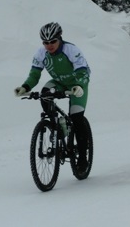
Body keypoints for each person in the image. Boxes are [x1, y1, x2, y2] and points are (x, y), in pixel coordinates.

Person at [14, 22, 91, 172]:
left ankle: (82, 157)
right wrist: (25, 87)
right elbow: (34, 75)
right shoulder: (41, 54)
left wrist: (80, 86)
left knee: (76, 118)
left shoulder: (71, 50)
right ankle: (56, 125)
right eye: (45, 42)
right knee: (44, 95)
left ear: (60, 39)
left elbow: (83, 71)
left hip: (77, 84)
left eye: (53, 42)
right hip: (59, 82)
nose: (49, 45)